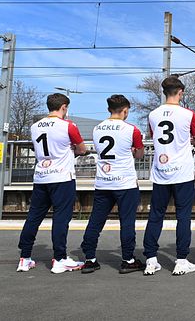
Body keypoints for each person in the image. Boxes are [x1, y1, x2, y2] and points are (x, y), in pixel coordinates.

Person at [17, 93, 87, 274]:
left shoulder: (34, 126)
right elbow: (82, 149)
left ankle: (24, 258)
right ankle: (60, 258)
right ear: (64, 107)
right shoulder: (68, 126)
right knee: (61, 218)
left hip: (41, 177)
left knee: (34, 217)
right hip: (62, 177)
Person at [80, 95, 146, 274]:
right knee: (127, 222)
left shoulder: (97, 129)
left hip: (103, 182)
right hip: (125, 183)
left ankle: (90, 259)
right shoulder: (132, 129)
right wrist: (133, 150)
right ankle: (128, 260)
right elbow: (139, 155)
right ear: (125, 110)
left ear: (109, 109)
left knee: (95, 221)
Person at [143, 76, 195, 276]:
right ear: (181, 92)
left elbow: (153, 136)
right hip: (182, 172)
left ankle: (151, 259)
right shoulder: (188, 114)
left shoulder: (153, 115)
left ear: (163, 92)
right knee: (183, 216)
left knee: (155, 215)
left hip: (161, 172)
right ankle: (181, 260)